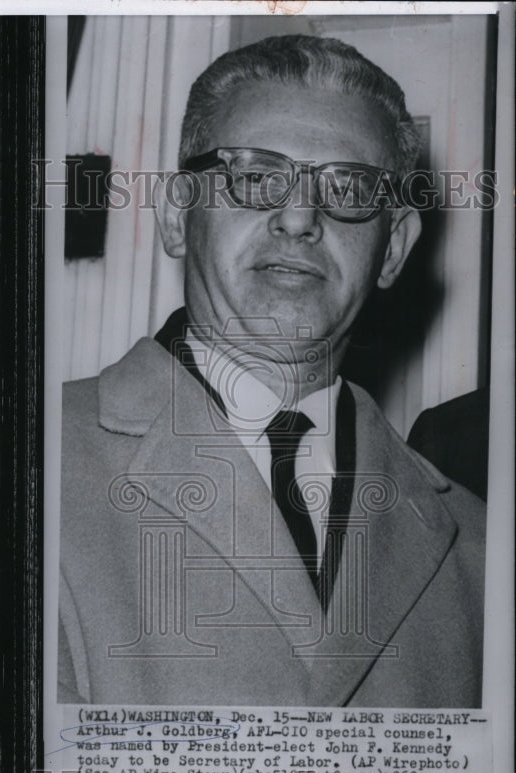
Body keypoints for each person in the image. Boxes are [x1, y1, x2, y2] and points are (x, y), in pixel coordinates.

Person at [58, 34, 485, 707]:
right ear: (176, 215)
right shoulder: (24, 466)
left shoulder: (480, 547)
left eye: (346, 186)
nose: (297, 217)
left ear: (393, 247)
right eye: (255, 176)